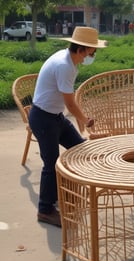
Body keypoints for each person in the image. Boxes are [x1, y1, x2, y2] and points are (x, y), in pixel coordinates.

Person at [29, 27, 107, 227]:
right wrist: (85, 120)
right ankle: (45, 210)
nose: (92, 55)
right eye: (91, 51)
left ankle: (67, 195)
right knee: (51, 164)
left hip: (55, 117)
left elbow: (67, 104)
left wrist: (81, 120)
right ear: (82, 49)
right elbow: (71, 104)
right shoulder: (65, 66)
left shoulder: (67, 58)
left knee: (79, 149)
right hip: (44, 119)